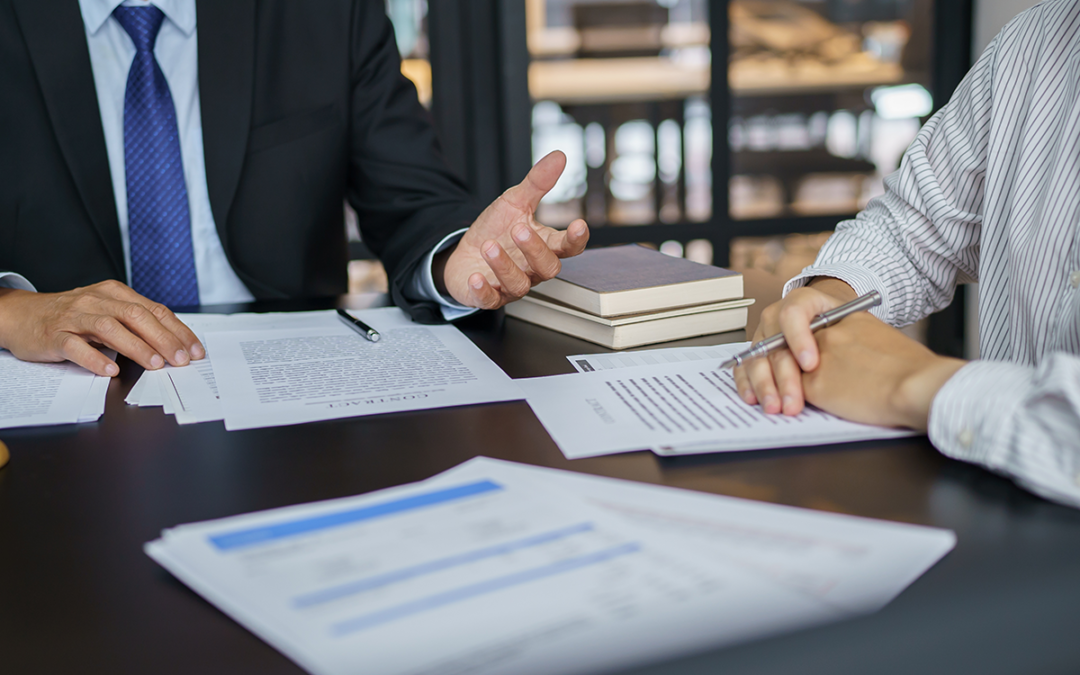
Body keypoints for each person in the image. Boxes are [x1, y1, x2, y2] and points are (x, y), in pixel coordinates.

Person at [0, 0, 588, 378]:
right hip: (66, 384)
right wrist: (10, 314)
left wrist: (459, 260)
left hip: (294, 385)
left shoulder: (326, 13)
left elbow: (414, 200)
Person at [734, 0, 1080, 508]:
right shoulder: (1036, 40)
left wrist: (910, 382)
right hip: (996, 517)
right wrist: (829, 299)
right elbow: (913, 227)